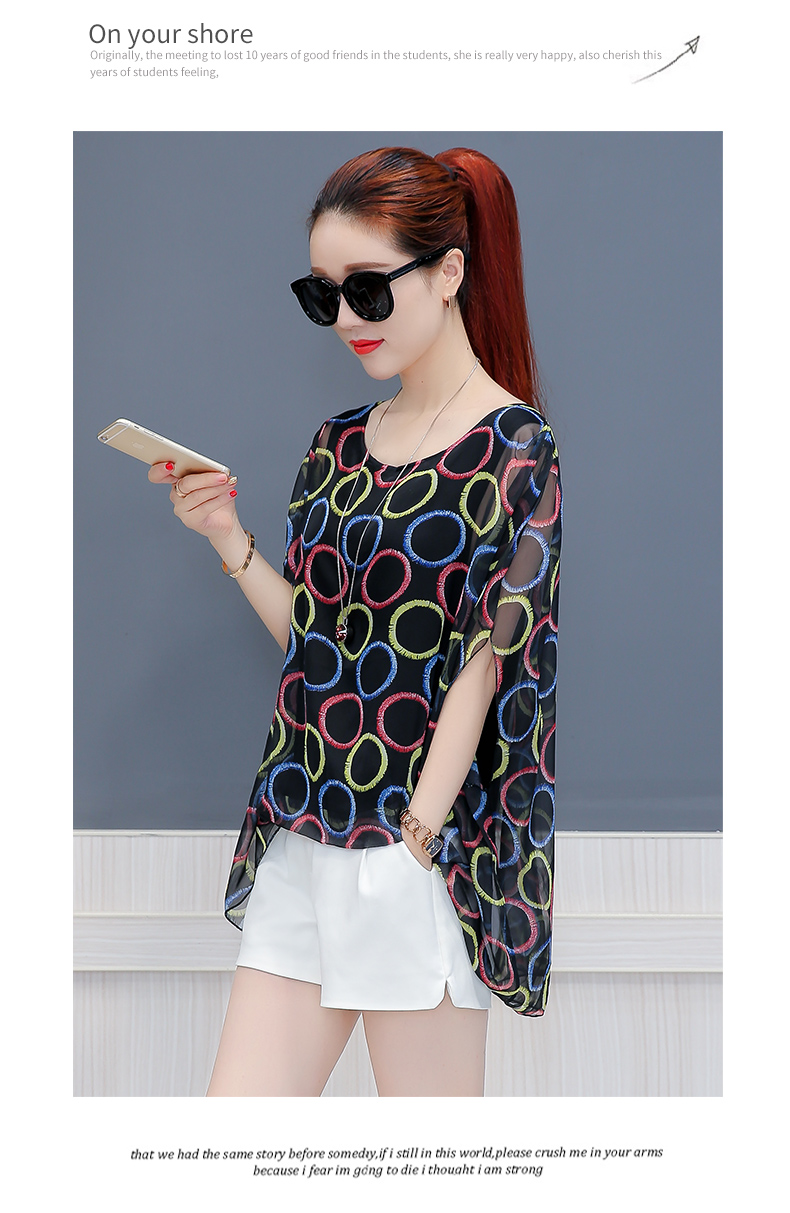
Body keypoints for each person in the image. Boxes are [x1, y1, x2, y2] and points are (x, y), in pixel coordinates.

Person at [148, 146, 562, 1097]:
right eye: (322, 294)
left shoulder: (515, 447)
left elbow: (489, 659)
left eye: (367, 289)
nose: (344, 319)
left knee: (430, 1163)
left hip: (412, 850)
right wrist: (227, 537)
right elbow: (318, 649)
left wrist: (418, 833)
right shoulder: (337, 444)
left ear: (449, 271)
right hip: (302, 831)